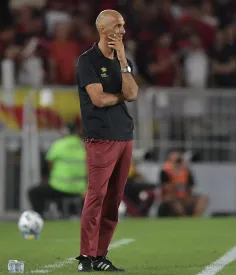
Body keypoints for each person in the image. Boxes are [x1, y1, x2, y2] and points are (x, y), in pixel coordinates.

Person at [74, 9, 138, 272]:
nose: (122, 30)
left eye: (123, 25)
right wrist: (121, 96)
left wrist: (122, 59)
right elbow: (99, 100)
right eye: (118, 25)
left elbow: (132, 92)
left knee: (114, 199)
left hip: (124, 135)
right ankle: (86, 257)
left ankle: (100, 254)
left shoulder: (122, 59)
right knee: (96, 195)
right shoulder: (87, 61)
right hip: (100, 137)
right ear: (104, 29)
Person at [28, 123, 86, 217]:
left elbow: (48, 164)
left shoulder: (59, 144)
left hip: (59, 187)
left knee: (33, 192)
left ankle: (40, 217)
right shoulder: (83, 146)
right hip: (80, 189)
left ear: (65, 131)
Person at [158, 150, 209, 217]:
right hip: (172, 197)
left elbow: (191, 186)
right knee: (173, 200)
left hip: (185, 196)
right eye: (175, 159)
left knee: (204, 198)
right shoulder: (165, 171)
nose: (178, 161)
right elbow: (167, 188)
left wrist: (186, 195)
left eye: (179, 159)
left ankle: (195, 217)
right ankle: (184, 217)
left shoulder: (186, 170)